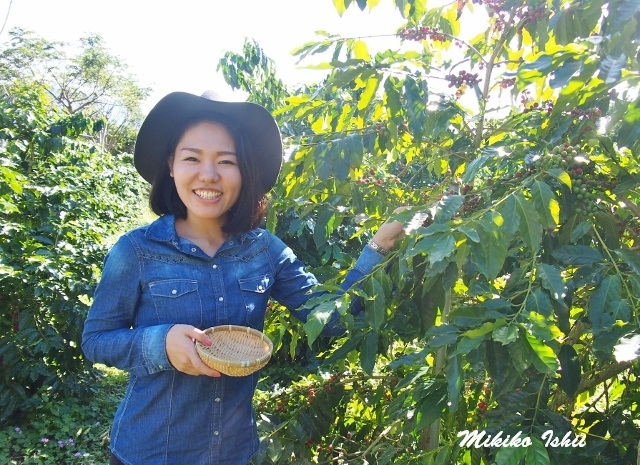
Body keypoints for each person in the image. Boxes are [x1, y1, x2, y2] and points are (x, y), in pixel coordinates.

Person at [81, 90, 405, 465]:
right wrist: (161, 343)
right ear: (171, 166)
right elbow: (96, 340)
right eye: (192, 158)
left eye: (226, 161)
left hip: (232, 450)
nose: (208, 174)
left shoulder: (265, 250)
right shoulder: (137, 250)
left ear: (244, 170)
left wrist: (378, 247)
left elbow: (330, 320)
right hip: (150, 451)